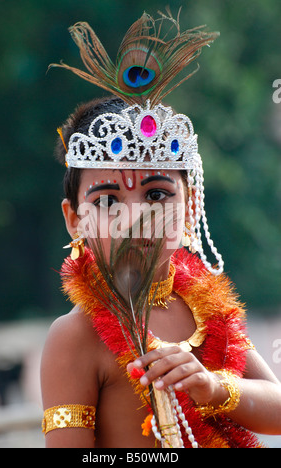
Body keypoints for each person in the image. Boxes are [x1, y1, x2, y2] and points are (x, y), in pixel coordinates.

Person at [40, 11, 281, 448]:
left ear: (190, 207)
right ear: (74, 219)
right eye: (109, 200)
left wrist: (213, 388)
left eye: (156, 195)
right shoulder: (75, 338)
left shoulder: (208, 309)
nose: (136, 217)